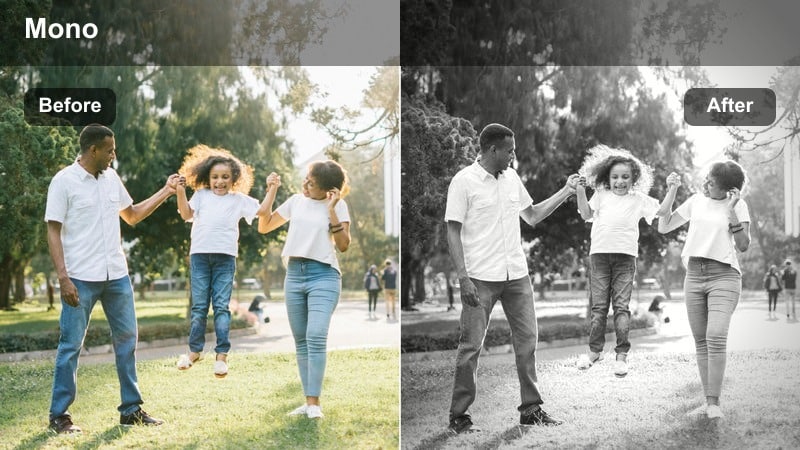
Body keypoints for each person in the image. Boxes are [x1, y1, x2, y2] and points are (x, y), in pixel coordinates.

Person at [444, 123, 579, 434]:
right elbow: (452, 230)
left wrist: (566, 191)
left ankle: (531, 410)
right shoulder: (464, 182)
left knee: (527, 341)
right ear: (493, 149)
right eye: (510, 151)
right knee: (471, 346)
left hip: (516, 275)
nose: (513, 156)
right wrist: (463, 278)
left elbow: (531, 215)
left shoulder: (512, 178)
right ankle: (459, 416)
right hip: (479, 277)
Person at [44, 124, 171, 433]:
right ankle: (59, 416)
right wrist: (63, 278)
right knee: (70, 345)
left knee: (127, 341)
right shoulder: (64, 181)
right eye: (111, 150)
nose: (115, 154)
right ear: (93, 150)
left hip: (116, 275)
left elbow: (132, 215)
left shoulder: (112, 178)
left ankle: (131, 410)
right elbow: (53, 229)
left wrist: (166, 191)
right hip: (80, 278)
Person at [574, 145, 680, 377]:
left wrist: (672, 189)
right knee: (599, 307)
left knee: (621, 307)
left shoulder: (638, 199)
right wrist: (580, 191)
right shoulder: (601, 195)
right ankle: (594, 352)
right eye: (615, 177)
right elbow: (585, 214)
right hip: (600, 256)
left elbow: (662, 211)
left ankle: (621, 356)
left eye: (625, 177)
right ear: (607, 178)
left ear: (634, 179)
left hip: (625, 259)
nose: (620, 181)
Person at [173, 145, 278, 378]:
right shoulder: (201, 195)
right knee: (199, 307)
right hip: (200, 256)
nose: (219, 182)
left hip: (225, 259)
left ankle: (221, 357)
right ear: (207, 178)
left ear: (234, 179)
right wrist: (180, 191)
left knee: (221, 306)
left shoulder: (238, 200)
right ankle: (194, 352)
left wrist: (272, 188)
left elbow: (262, 211)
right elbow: (186, 214)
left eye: (225, 177)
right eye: (215, 177)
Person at [258, 160, 351, 420]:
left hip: (324, 275)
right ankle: (309, 402)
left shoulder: (339, 205)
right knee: (301, 342)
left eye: (312, 183)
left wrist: (331, 210)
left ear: (329, 189)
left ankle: (314, 405)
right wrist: (272, 190)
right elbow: (263, 226)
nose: (305, 185)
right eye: (306, 180)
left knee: (316, 335)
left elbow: (343, 245)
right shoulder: (296, 201)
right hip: (295, 275)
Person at [658, 160, 751, 420]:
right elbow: (663, 226)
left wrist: (731, 210)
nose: (706, 184)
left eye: (712, 182)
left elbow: (743, 245)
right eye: (707, 179)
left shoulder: (739, 205)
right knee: (701, 341)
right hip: (695, 275)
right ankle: (708, 401)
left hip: (725, 275)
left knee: (716, 336)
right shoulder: (696, 201)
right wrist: (672, 190)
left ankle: (714, 403)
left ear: (729, 189)